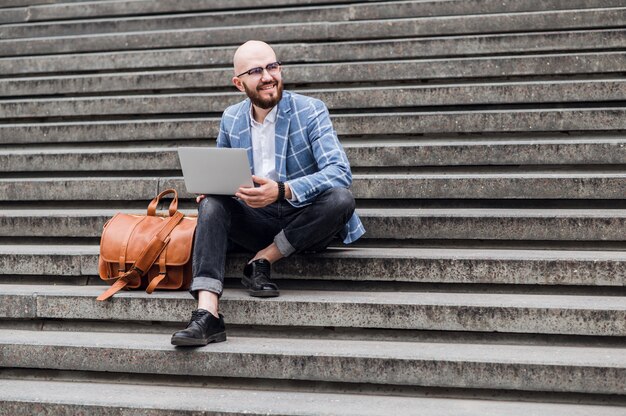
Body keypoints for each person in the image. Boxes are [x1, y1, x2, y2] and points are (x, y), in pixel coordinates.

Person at [171, 40, 365, 346]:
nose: (268, 76)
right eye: (256, 71)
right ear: (239, 83)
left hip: (303, 219)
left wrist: (282, 190)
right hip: (254, 218)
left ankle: (263, 258)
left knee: (341, 200)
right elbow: (224, 173)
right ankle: (207, 313)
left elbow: (339, 173)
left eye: (272, 67)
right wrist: (215, 189)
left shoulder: (311, 110)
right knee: (211, 204)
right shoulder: (231, 118)